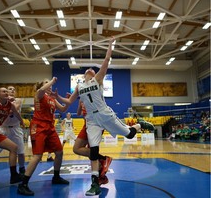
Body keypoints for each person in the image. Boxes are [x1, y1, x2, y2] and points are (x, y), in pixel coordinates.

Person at [56, 36, 153, 196]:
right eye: (87, 71)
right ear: (83, 76)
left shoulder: (97, 80)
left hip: (105, 114)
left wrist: (110, 44)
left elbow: (107, 59)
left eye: (92, 70)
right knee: (93, 151)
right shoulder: (79, 86)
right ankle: (95, 184)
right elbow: (68, 101)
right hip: (92, 120)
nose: (90, 70)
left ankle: (139, 124)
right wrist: (56, 96)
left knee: (129, 135)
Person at [17, 78, 69, 196]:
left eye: (49, 83)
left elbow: (63, 109)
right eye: (46, 83)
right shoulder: (39, 94)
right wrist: (52, 81)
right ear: (43, 85)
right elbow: (41, 89)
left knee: (59, 152)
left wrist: (67, 100)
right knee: (37, 156)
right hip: (38, 126)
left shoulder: (52, 98)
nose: (49, 85)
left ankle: (56, 177)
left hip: (50, 127)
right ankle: (23, 184)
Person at [73, 100, 111, 185]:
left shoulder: (94, 94)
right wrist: (79, 104)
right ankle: (103, 167)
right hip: (86, 124)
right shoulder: (82, 98)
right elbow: (78, 113)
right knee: (85, 152)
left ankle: (100, 176)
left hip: (95, 125)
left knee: (89, 154)